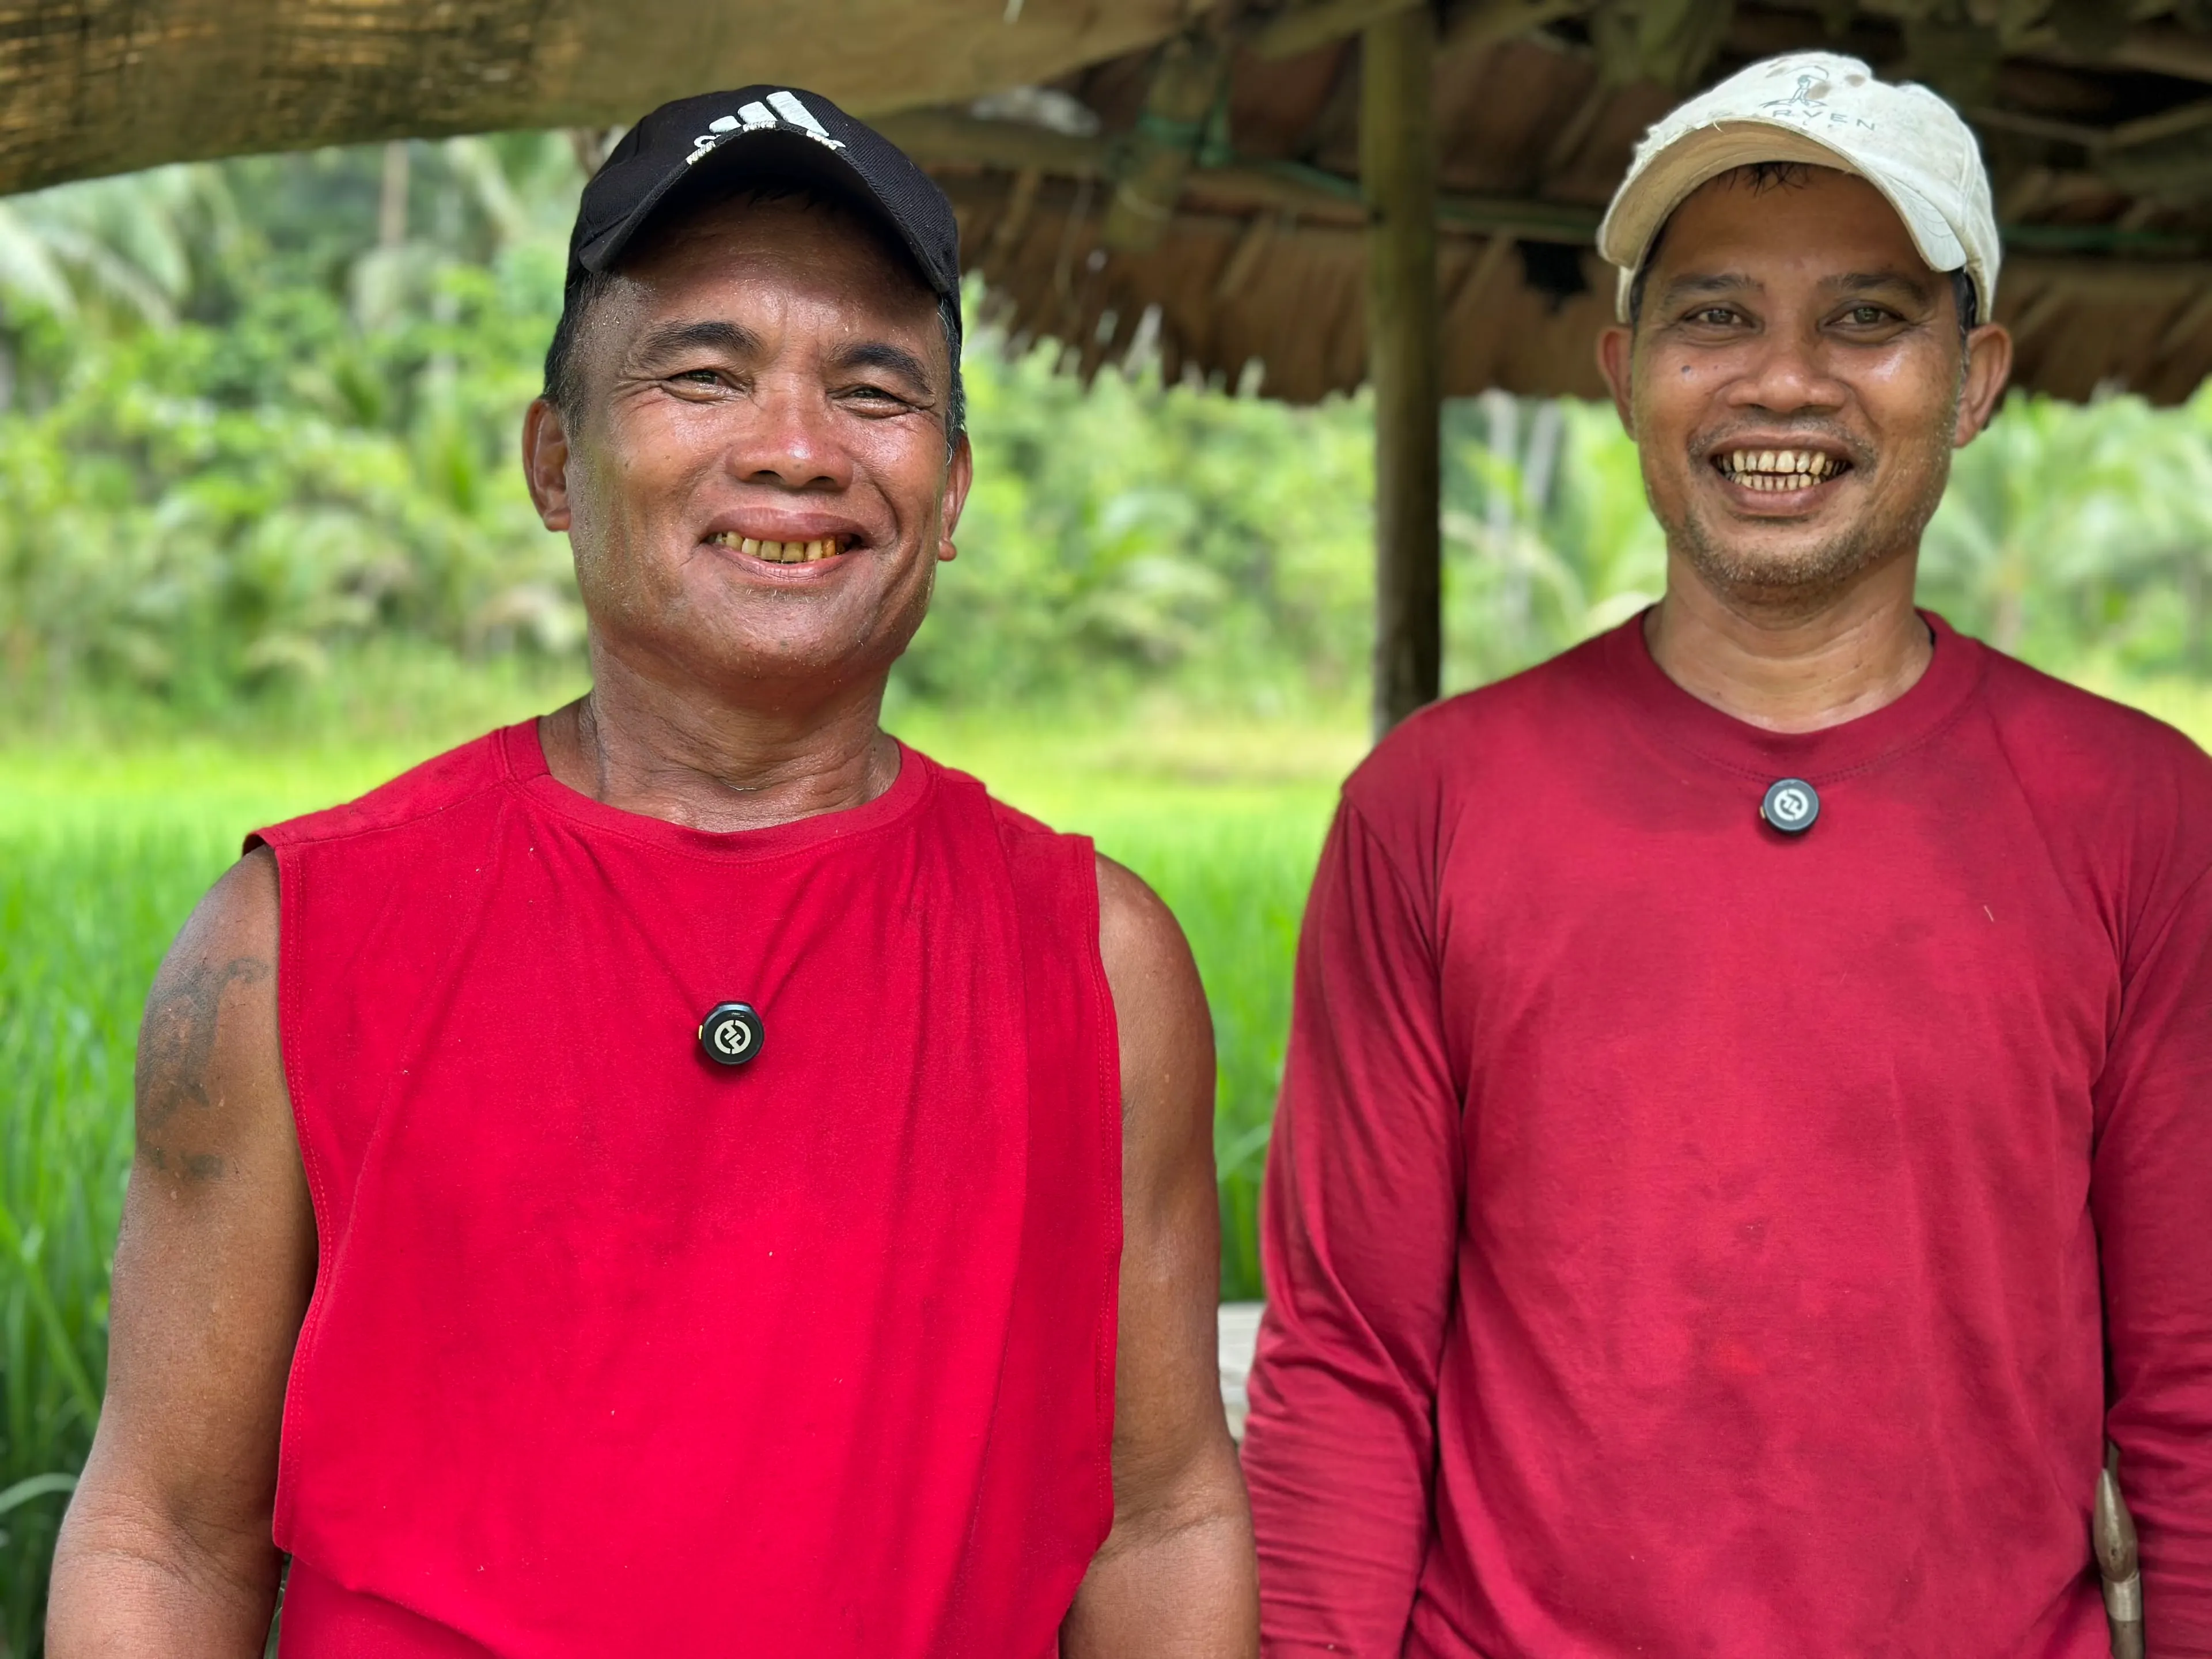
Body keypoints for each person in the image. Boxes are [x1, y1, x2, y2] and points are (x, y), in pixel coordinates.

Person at [47, 86, 1257, 1657]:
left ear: (949, 494)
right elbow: (161, 1531)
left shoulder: (1097, 962)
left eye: (874, 390)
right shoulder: (291, 943)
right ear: (557, 464)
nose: (798, 451)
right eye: (706, 374)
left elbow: (1161, 1513)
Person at [1242, 51, 2212, 1658]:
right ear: (1625, 373)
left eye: (1867, 318)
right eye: (1714, 318)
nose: (1783, 383)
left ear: (1973, 379)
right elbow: (1346, 1364)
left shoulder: (2138, 813)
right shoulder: (1434, 803)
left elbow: (2194, 1388)